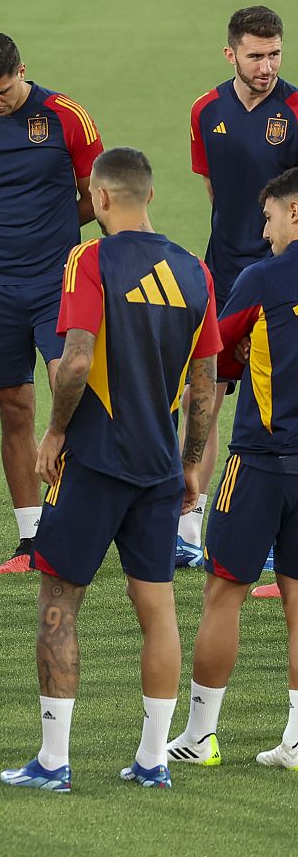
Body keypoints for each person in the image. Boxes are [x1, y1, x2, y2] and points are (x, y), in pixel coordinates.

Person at [0, 147, 220, 793]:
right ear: (147, 195)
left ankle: (53, 760)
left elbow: (73, 361)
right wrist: (187, 465)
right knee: (157, 608)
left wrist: (56, 429)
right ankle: (153, 760)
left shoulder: (88, 259)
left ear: (99, 198)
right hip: (157, 467)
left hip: (95, 460)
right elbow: (205, 385)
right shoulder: (198, 272)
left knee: (59, 602)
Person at [0, 31, 104, 574]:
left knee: (68, 392)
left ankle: (76, 528)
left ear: (22, 70)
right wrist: (1, 241)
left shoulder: (65, 115)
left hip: (58, 280)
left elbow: (98, 195)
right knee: (13, 406)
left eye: (3, 92)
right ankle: (31, 540)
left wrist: (50, 230)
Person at [166, 166, 298, 769]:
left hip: (262, 464)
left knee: (223, 592)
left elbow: (213, 360)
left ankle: (201, 736)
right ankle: (295, 740)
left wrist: (191, 461)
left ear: (293, 214)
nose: (264, 228)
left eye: (269, 217)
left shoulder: (263, 278)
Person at [180, 6, 298, 568]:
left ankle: (278, 536)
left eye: (275, 53)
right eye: (256, 54)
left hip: (283, 280)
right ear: (231, 54)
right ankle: (188, 525)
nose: (268, 65)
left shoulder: (296, 108)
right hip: (225, 276)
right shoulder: (206, 110)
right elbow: (215, 188)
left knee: (279, 403)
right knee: (207, 392)